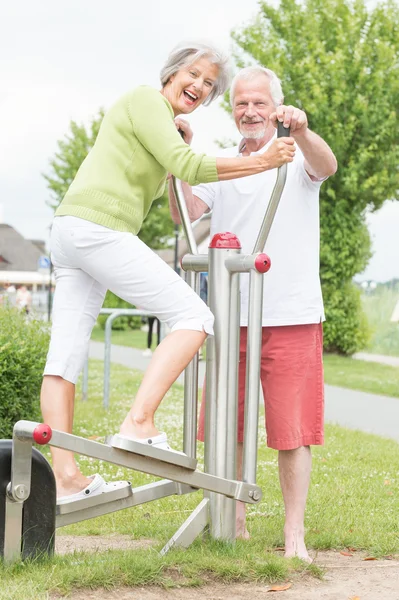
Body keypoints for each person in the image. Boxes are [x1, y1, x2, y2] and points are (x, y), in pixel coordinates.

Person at [41, 45, 295, 504]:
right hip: (99, 229)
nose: (199, 86)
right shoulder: (145, 99)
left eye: (209, 84)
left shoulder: (157, 119)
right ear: (172, 73)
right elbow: (189, 168)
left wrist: (176, 142)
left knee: (63, 360)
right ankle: (139, 421)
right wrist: (263, 160)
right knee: (194, 317)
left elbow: (175, 171)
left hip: (70, 230)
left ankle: (65, 478)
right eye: (193, 74)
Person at [168, 66, 337, 561]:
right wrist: (181, 153)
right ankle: (233, 524)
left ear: (275, 107)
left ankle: (294, 537)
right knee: (228, 422)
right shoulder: (226, 165)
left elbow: (325, 166)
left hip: (291, 312)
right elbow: (186, 212)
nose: (250, 112)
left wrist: (301, 129)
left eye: (260, 103)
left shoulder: (293, 156)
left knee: (292, 430)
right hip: (232, 312)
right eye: (242, 103)